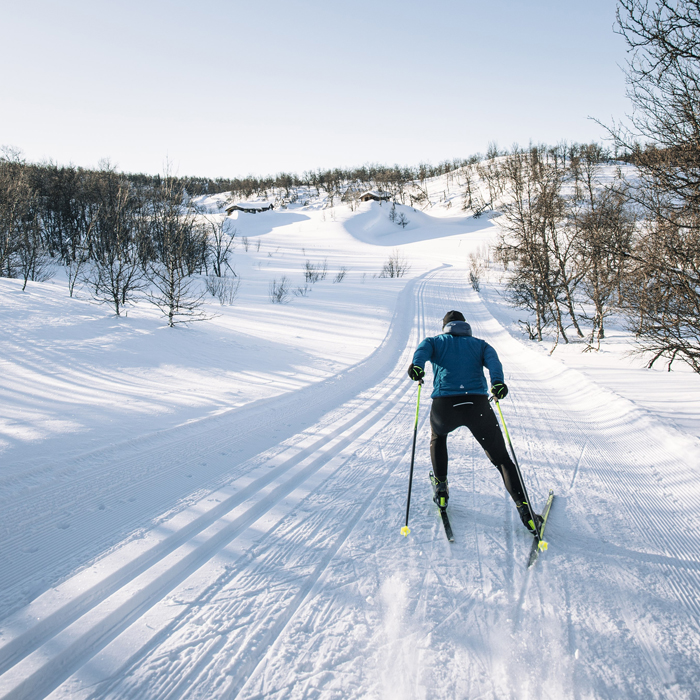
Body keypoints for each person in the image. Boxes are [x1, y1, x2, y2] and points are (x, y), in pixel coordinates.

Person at [407, 310, 542, 534]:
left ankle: (441, 492)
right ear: (465, 326)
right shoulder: (480, 345)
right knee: (502, 460)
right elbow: (494, 363)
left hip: (444, 407)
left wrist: (417, 367)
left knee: (438, 437)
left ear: (445, 326)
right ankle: (526, 513)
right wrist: (497, 383)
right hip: (476, 406)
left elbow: (422, 351)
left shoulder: (435, 342)